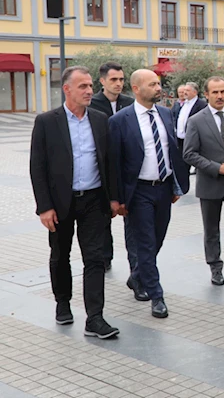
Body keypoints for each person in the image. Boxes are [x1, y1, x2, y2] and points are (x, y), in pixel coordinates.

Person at [30, 66, 121, 339]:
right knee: (60, 255)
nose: (89, 91)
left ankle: (95, 318)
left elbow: (109, 162)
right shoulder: (47, 121)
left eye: (91, 85)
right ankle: (62, 302)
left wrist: (114, 198)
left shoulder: (100, 119)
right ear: (67, 89)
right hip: (60, 202)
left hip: (94, 200)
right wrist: (44, 207)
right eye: (83, 86)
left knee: (95, 258)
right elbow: (38, 166)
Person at [109, 69, 188, 319]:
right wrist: (117, 198)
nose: (158, 88)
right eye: (152, 84)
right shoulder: (121, 120)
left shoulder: (166, 113)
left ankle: (137, 276)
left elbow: (173, 151)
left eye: (159, 83)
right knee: (144, 242)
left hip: (163, 188)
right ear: (136, 88)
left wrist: (177, 185)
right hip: (139, 190)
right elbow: (114, 163)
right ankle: (156, 295)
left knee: (158, 239)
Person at [183, 77, 224, 289]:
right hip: (210, 183)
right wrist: (216, 167)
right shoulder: (196, 120)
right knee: (212, 229)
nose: (220, 96)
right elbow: (189, 154)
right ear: (207, 94)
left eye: (223, 92)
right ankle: (215, 267)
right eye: (215, 92)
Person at [90, 62, 135, 273]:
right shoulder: (92, 103)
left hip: (126, 168)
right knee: (103, 216)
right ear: (102, 81)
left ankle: (135, 263)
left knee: (131, 216)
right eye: (113, 80)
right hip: (101, 168)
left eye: (121, 79)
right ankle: (105, 257)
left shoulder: (130, 103)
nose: (118, 84)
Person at [175, 82, 207, 152]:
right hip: (180, 140)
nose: (185, 92)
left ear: (195, 92)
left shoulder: (201, 105)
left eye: (187, 90)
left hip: (193, 141)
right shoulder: (184, 103)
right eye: (184, 90)